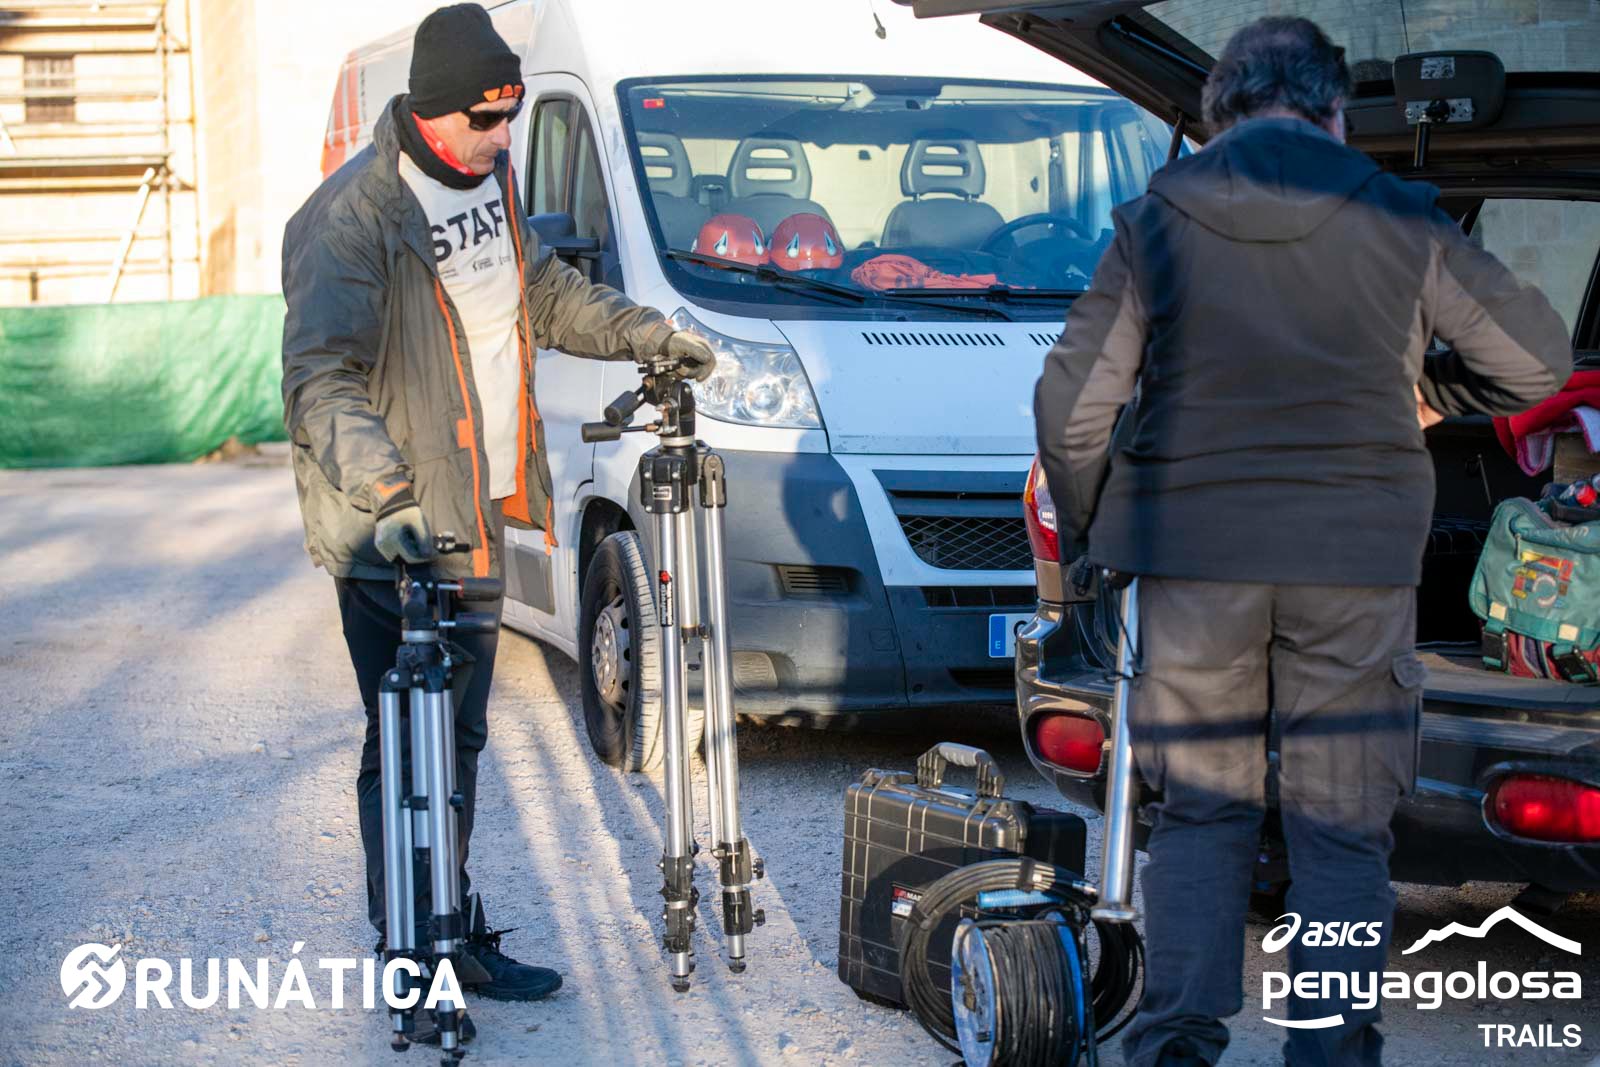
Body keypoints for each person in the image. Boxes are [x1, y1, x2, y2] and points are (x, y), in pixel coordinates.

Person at [1033, 17, 1570, 1067]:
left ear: (1216, 118)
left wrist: (1093, 532)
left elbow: (1070, 407)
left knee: (1200, 814)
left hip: (1193, 563)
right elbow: (1538, 363)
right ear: (1335, 115)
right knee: (1340, 826)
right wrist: (1423, 392)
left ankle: (1175, 1045)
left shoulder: (1155, 219)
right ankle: (1329, 1047)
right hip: (1353, 565)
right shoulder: (1398, 214)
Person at [279, 2, 714, 1042]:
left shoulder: (491, 183)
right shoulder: (352, 219)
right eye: (486, 119)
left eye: (511, 114)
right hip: (390, 527)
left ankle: (450, 922)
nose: (502, 134)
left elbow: (542, 293)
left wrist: (646, 332)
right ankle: (410, 949)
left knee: (461, 736)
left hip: (473, 512)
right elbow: (320, 379)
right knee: (406, 743)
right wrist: (387, 496)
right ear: (432, 111)